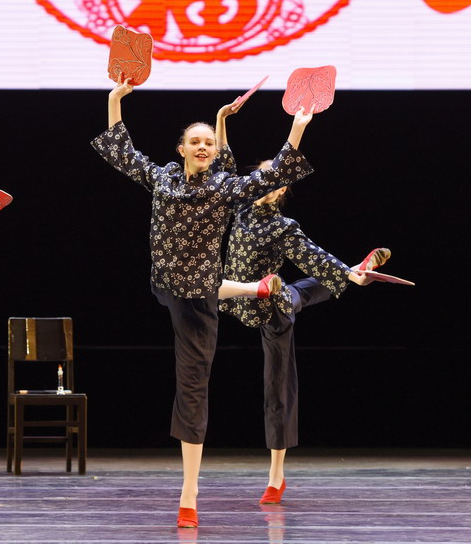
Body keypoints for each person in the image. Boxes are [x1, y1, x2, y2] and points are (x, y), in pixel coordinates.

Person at [90, 77, 315, 528]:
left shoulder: (224, 187)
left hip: (198, 299)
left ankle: (188, 492)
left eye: (209, 142)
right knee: (208, 287)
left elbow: (272, 174)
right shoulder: (163, 176)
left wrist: (298, 126)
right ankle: (253, 288)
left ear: (214, 151)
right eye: (195, 141)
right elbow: (121, 153)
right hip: (164, 281)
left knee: (193, 385)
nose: (202, 146)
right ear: (181, 149)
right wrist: (115, 100)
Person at [219, 153, 390, 505]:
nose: (269, 182)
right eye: (264, 175)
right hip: (238, 298)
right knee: (301, 289)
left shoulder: (284, 227)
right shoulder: (239, 206)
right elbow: (222, 165)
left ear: (282, 190)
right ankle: (352, 272)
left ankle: (275, 476)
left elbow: (314, 255)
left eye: (277, 180)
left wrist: (339, 270)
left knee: (277, 387)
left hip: (271, 308)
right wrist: (222, 121)